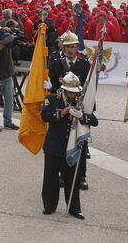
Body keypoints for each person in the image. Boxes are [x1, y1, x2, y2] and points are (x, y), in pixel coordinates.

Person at [40, 72, 97, 219]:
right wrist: (62, 113)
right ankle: (49, 205)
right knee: (50, 178)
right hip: (54, 145)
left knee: (72, 178)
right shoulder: (52, 99)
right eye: (71, 92)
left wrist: (82, 116)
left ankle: (74, 207)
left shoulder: (81, 101)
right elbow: (45, 116)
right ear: (64, 90)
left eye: (75, 92)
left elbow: (94, 121)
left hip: (72, 146)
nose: (73, 95)